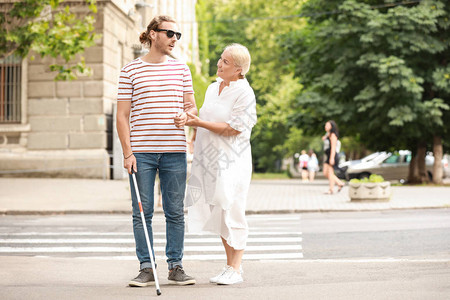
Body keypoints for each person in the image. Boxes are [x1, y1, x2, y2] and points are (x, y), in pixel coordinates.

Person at [116, 15, 198, 287]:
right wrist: (128, 153)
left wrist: (186, 116)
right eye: (170, 33)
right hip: (142, 154)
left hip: (175, 151)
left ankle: (175, 266)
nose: (175, 39)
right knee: (142, 212)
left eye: (178, 35)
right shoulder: (130, 70)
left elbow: (191, 108)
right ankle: (146, 267)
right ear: (153, 34)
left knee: (175, 211)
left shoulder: (181, 70)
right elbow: (121, 116)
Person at [184, 43, 256, 285]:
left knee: (233, 210)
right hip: (210, 160)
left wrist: (199, 124)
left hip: (232, 162)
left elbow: (233, 128)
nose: (219, 63)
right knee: (219, 213)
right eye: (220, 59)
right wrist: (190, 121)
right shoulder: (213, 88)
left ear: (238, 69)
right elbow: (204, 116)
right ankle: (229, 266)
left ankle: (236, 268)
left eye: (225, 61)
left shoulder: (245, 93)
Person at [322, 120, 345, 194]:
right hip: (328, 156)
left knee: (330, 173)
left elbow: (333, 147)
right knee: (326, 173)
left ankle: (331, 189)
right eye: (325, 125)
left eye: (327, 125)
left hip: (332, 155)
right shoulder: (328, 134)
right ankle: (339, 183)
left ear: (332, 126)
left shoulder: (333, 135)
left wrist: (332, 158)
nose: (326, 127)